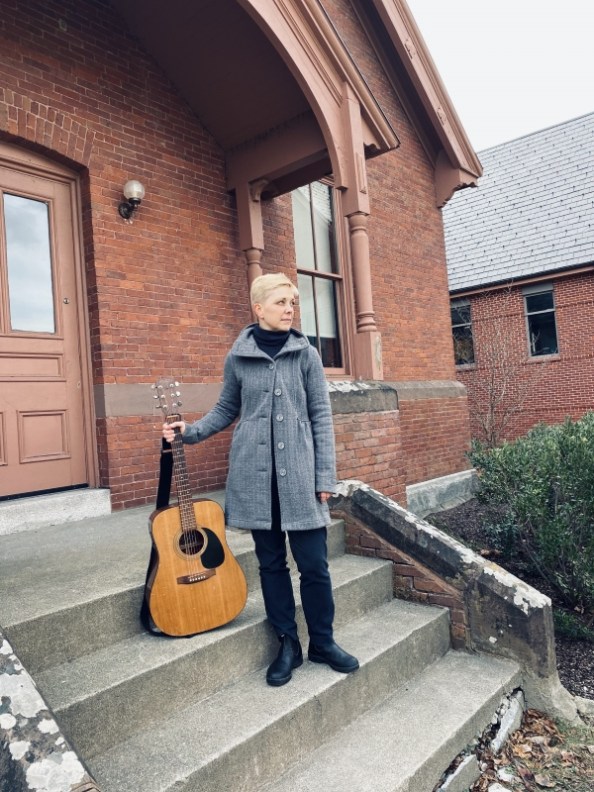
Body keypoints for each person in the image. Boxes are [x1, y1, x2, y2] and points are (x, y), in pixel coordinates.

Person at [162, 272, 359, 686]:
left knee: (314, 567)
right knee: (271, 566)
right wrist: (189, 430)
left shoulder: (305, 354)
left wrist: (326, 475)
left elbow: (322, 417)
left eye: (293, 302)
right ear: (259, 307)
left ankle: (322, 642)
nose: (290, 309)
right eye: (282, 302)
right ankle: (287, 644)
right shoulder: (238, 357)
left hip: (302, 479)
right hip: (255, 479)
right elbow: (225, 409)